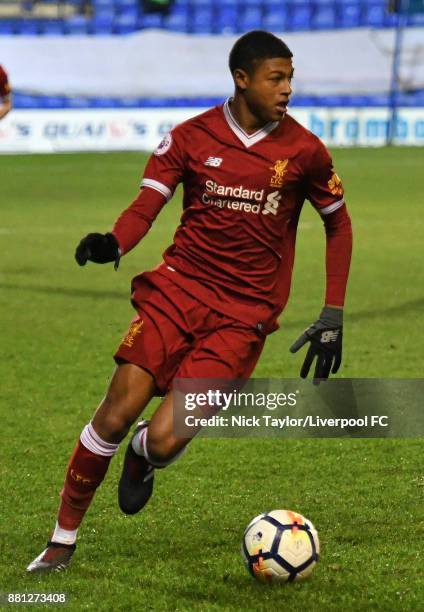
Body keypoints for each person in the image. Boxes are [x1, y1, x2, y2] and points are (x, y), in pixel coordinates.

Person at [27, 30, 352, 572]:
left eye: (291, 77)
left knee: (166, 437)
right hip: (176, 293)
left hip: (243, 316)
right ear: (242, 79)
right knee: (114, 412)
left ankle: (143, 455)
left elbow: (338, 228)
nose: (288, 88)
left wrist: (333, 312)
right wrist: (115, 242)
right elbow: (146, 203)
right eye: (277, 77)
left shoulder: (305, 151)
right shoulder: (191, 136)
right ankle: (61, 542)